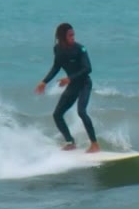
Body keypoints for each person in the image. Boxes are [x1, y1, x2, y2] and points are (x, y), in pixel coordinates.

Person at [35, 23, 100, 153]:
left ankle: (94, 145)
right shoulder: (58, 49)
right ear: (62, 37)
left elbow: (88, 69)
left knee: (81, 111)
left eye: (73, 34)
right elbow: (56, 67)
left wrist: (69, 78)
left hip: (84, 84)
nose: (73, 37)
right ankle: (70, 142)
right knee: (57, 115)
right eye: (70, 35)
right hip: (73, 85)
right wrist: (44, 82)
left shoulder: (80, 49)